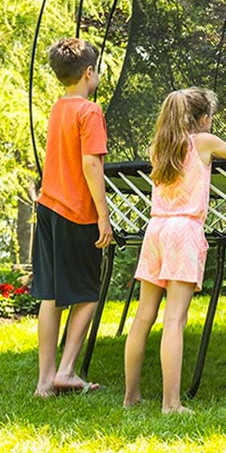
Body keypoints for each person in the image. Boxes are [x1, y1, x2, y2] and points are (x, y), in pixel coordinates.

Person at [123, 88, 226, 414]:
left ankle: (131, 397)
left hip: (156, 230)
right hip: (183, 231)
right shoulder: (203, 142)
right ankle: (171, 403)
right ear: (204, 119)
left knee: (142, 318)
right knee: (174, 320)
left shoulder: (160, 147)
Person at [31, 37, 113, 397]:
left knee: (50, 295)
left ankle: (44, 382)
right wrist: (103, 216)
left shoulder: (57, 108)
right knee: (88, 293)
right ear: (89, 73)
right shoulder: (89, 111)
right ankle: (66, 371)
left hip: (47, 207)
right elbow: (91, 165)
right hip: (75, 213)